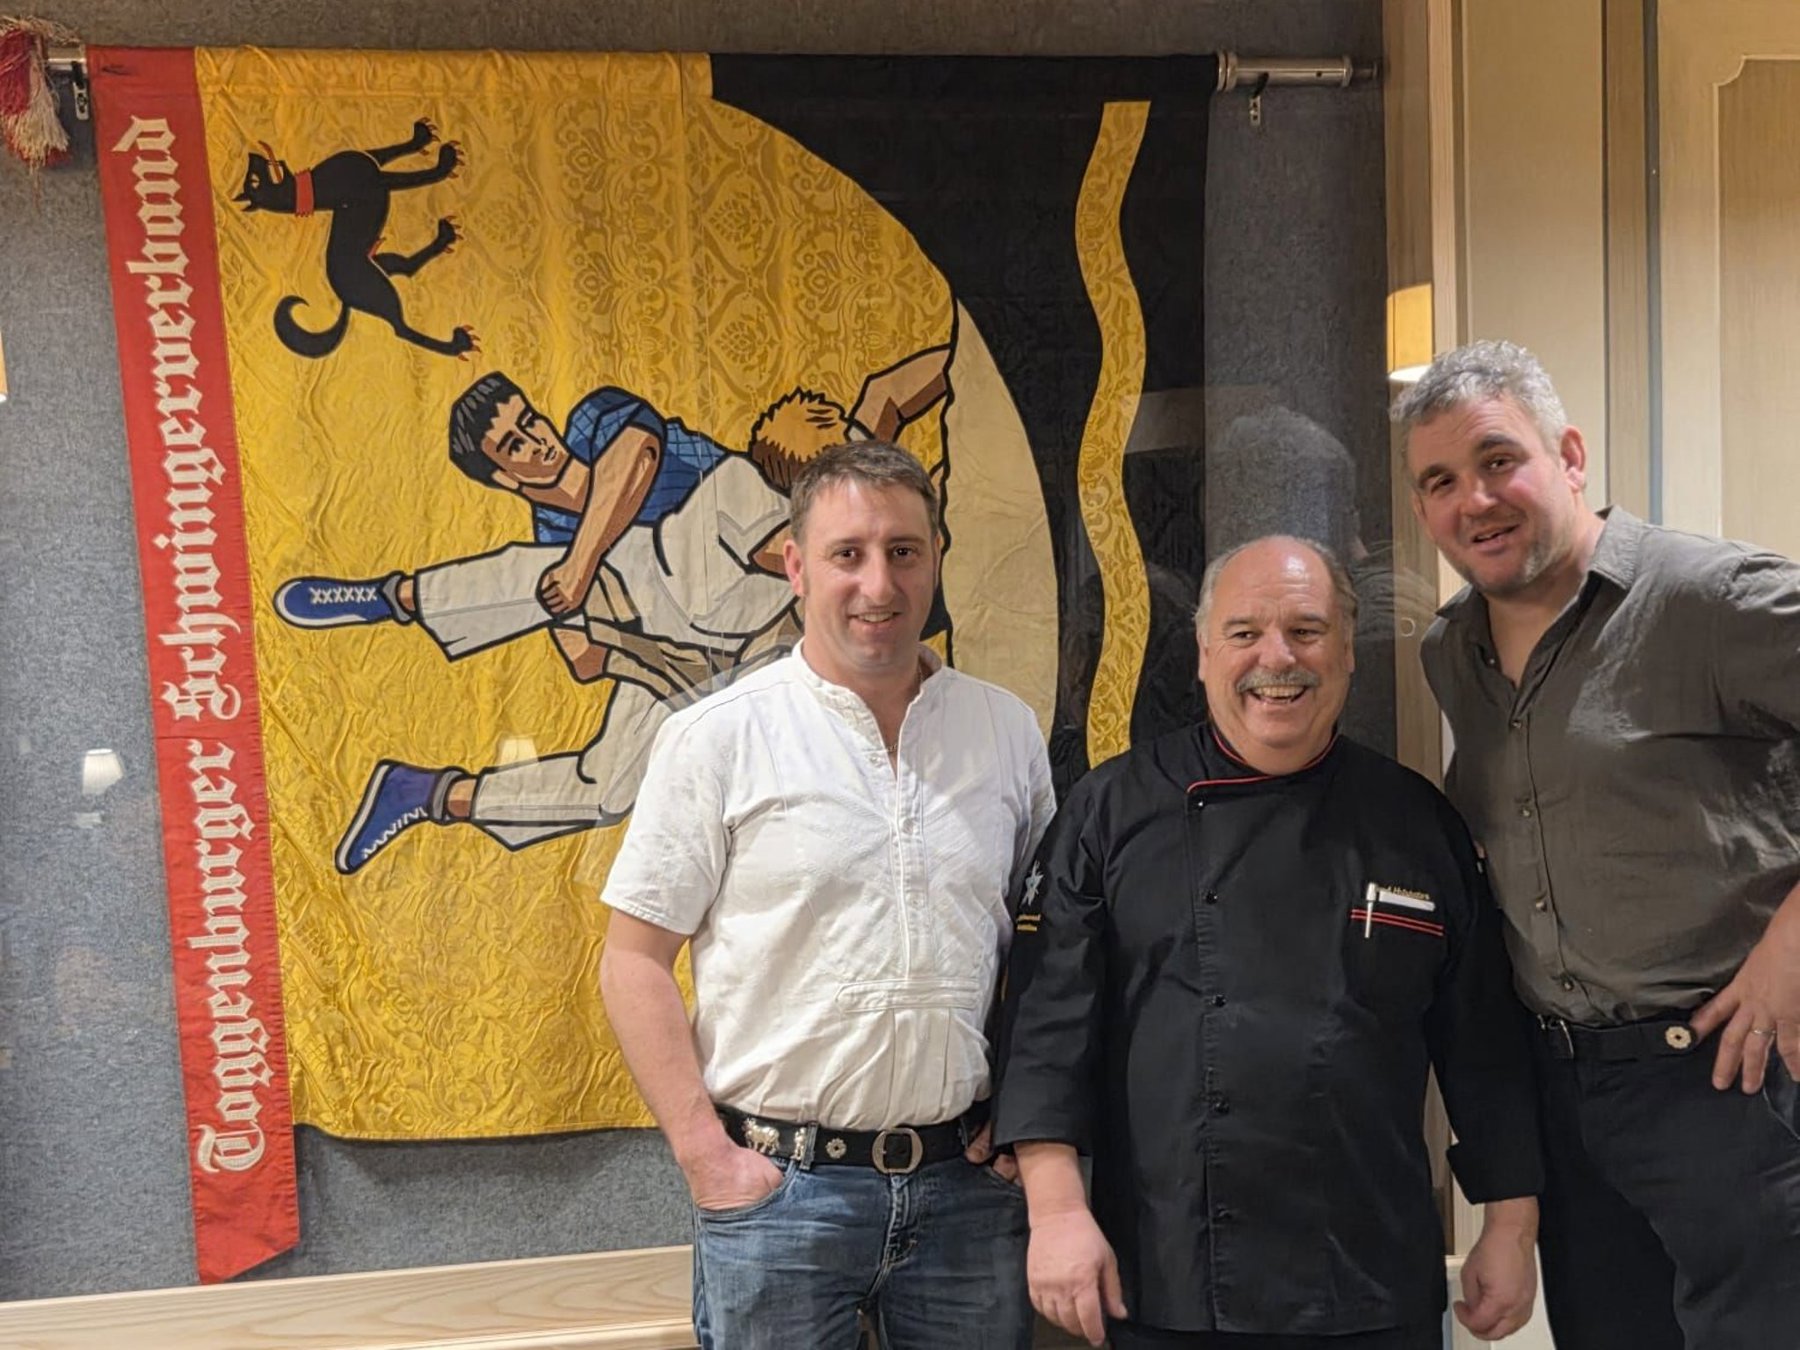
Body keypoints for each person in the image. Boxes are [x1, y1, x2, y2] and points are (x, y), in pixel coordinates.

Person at [993, 534, 1542, 1350]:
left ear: (1347, 653)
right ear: (1204, 656)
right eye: (1245, 633)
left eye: (1306, 631)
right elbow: (1047, 1024)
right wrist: (1058, 1210)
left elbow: (1482, 1040)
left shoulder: (1417, 821)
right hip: (1171, 1271)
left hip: (1371, 1275)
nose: (1276, 658)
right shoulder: (1112, 811)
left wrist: (1511, 1223)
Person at [598, 440, 1055, 1350]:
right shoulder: (717, 737)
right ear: (796, 566)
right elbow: (632, 961)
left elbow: (1044, 947)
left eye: (903, 551)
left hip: (967, 1195)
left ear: (936, 557)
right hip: (780, 1197)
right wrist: (705, 1157)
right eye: (848, 553)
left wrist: (1029, 1117)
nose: (878, 584)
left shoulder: (1004, 729)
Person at [1397, 339, 1800, 1350]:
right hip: (1570, 1103)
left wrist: (1795, 940)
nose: (1474, 500)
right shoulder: (1452, 651)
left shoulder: (1710, 599)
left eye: (1499, 460)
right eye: (1440, 481)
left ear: (1570, 456)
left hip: (1734, 1085)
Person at [272, 356, 953, 872]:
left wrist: (580, 569)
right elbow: (590, 660)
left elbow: (638, 457)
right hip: (703, 643)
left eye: (529, 421)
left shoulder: (595, 430)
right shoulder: (552, 533)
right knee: (605, 785)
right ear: (503, 475)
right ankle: (424, 781)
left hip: (757, 594)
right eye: (515, 444)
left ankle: (401, 606)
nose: (536, 439)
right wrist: (653, 661)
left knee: (681, 527)